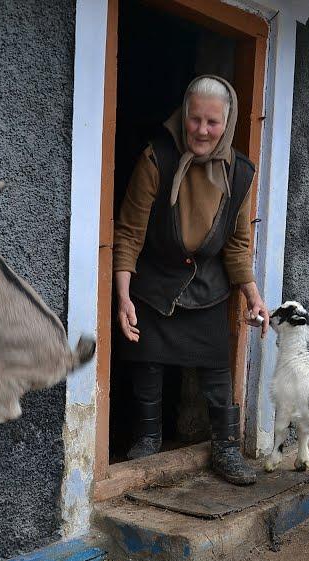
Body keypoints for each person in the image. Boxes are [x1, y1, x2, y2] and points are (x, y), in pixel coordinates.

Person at [113, 75, 269, 486]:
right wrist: (123, 295)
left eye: (212, 122)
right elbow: (129, 231)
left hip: (208, 282)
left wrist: (253, 294)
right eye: (194, 119)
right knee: (146, 359)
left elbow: (237, 242)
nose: (201, 130)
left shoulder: (240, 174)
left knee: (217, 365)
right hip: (155, 280)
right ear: (183, 116)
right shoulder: (155, 158)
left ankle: (226, 449)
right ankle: (147, 438)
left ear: (227, 123)